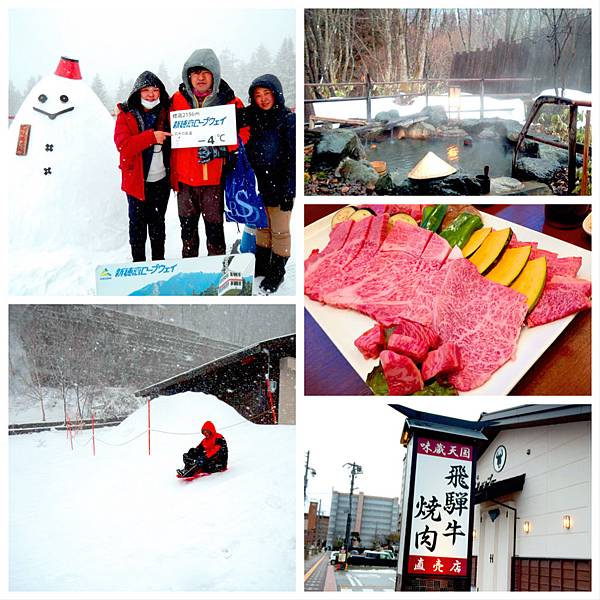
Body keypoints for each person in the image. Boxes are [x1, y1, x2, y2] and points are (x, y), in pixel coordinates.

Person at [170, 49, 249, 258]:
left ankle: (216, 267)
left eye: (205, 72)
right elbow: (164, 131)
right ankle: (190, 267)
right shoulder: (176, 100)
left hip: (213, 179)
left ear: (214, 74)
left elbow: (245, 135)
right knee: (187, 230)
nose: (200, 77)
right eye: (195, 73)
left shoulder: (230, 101)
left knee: (214, 229)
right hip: (185, 180)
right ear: (188, 76)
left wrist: (222, 150)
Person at [242, 74, 295, 294]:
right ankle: (262, 264)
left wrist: (289, 189)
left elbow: (293, 157)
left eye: (267, 94)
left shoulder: (286, 119)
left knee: (280, 230)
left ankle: (277, 271)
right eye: (257, 96)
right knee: (262, 227)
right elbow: (227, 115)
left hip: (282, 184)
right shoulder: (252, 116)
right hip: (261, 184)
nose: (263, 99)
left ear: (276, 94)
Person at [114, 71, 171, 262]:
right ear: (137, 92)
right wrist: (151, 137)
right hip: (136, 181)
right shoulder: (126, 114)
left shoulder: (167, 112)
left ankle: (158, 264)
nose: (151, 95)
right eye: (146, 90)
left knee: (157, 225)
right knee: (137, 226)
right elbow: (124, 146)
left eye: (155, 90)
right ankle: (138, 265)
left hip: (161, 181)